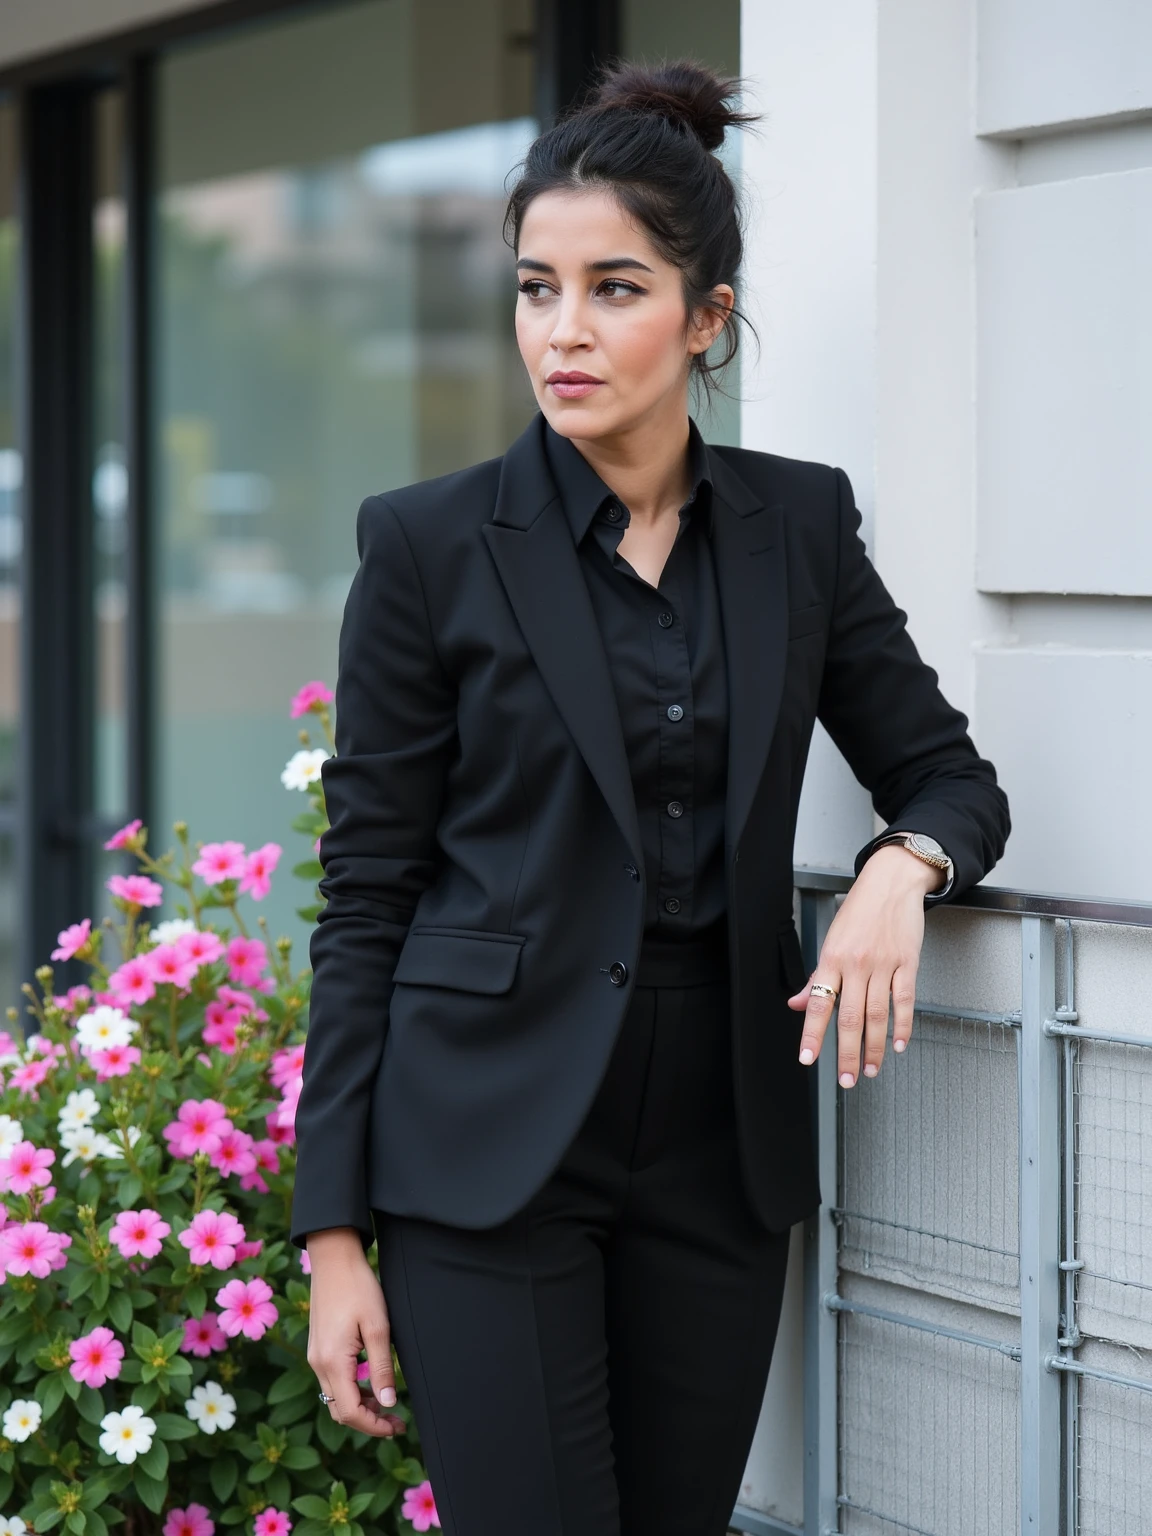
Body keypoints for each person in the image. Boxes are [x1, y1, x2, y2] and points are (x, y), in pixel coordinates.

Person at [289, 58, 1010, 1536]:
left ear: (707, 320)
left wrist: (898, 870)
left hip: (716, 1146)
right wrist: (332, 1238)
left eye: (614, 287)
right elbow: (365, 894)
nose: (562, 329)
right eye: (536, 288)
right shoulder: (430, 547)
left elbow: (947, 773)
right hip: (483, 1143)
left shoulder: (796, 529)